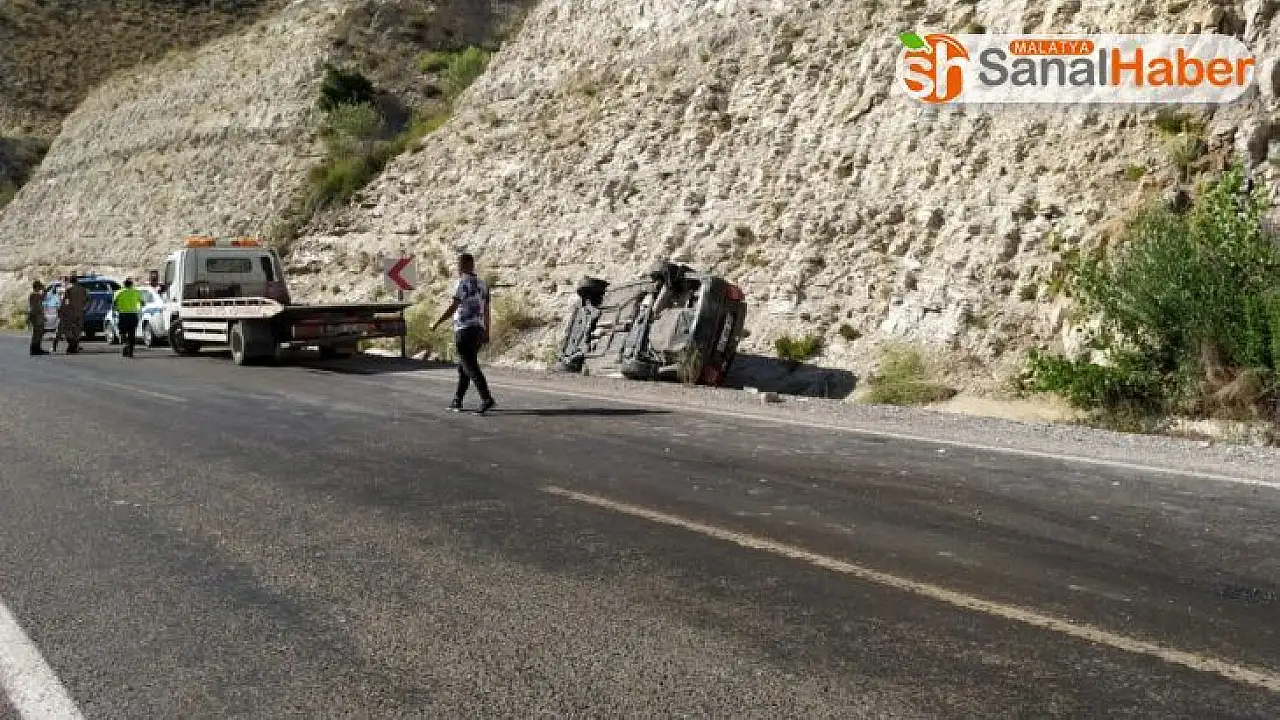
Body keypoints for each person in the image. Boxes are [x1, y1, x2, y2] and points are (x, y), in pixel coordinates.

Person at [431, 252, 496, 413]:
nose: (457, 268)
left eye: (459, 265)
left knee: (470, 366)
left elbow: (453, 307)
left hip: (464, 330)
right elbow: (487, 310)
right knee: (463, 367)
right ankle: (457, 400)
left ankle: (486, 398)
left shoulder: (461, 283)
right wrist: (487, 332)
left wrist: (437, 322)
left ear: (464, 265)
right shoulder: (483, 284)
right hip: (478, 330)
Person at [112, 278, 144, 357]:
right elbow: (143, 303)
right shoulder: (136, 292)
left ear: (124, 285)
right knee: (132, 333)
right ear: (131, 284)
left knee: (122, 332)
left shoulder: (118, 292)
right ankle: (131, 352)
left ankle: (125, 344)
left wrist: (115, 310)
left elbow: (114, 304)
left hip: (123, 315)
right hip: (133, 315)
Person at [58, 277, 88, 354]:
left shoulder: (69, 290)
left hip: (71, 313)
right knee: (78, 330)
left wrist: (63, 311)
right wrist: (84, 308)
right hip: (80, 312)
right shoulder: (83, 290)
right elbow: (87, 300)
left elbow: (66, 302)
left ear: (70, 282)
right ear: (77, 281)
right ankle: (74, 346)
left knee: (69, 330)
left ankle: (71, 346)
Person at [27, 280, 47, 355]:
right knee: (37, 333)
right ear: (37, 287)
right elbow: (37, 305)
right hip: (36, 315)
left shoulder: (34, 295)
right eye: (40, 286)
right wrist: (44, 289)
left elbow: (43, 298)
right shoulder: (35, 295)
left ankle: (37, 348)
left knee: (39, 332)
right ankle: (35, 349)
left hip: (36, 315)